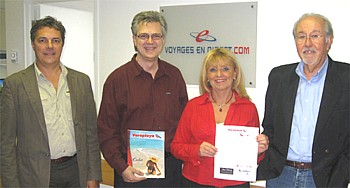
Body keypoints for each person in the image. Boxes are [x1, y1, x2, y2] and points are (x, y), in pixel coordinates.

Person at [0, 16, 102, 187]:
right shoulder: (15, 85)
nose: (49, 46)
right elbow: (6, 143)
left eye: (55, 40)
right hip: (36, 175)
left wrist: (93, 176)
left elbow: (91, 135)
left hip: (76, 171)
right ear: (33, 44)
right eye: (42, 40)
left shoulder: (81, 81)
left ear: (62, 44)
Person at [257, 13, 349, 188]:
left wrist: (342, 173)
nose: (307, 43)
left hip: (325, 178)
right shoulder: (279, 77)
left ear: (328, 41)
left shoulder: (346, 79)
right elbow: (269, 126)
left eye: (315, 36)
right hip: (281, 175)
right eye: (301, 36)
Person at [97, 10, 188, 187]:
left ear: (163, 40)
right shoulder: (117, 79)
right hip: (132, 171)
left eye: (156, 36)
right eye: (143, 36)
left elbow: (186, 123)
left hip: (172, 171)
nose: (150, 42)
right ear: (134, 39)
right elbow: (106, 131)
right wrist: (121, 167)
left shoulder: (175, 76)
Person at [170, 48, 269, 187]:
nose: (219, 74)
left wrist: (258, 151)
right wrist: (196, 150)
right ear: (207, 76)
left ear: (234, 73)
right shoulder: (193, 106)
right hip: (196, 181)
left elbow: (254, 158)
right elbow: (176, 147)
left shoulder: (248, 108)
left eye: (225, 68)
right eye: (213, 70)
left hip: (235, 183)